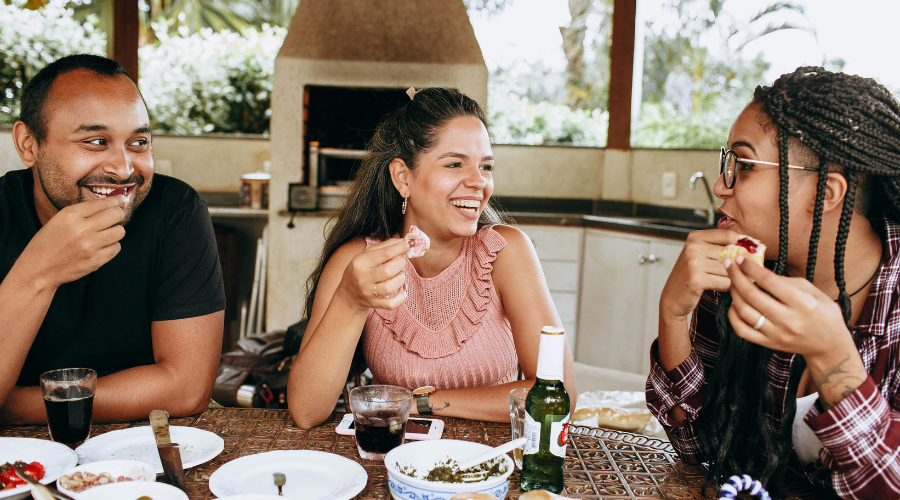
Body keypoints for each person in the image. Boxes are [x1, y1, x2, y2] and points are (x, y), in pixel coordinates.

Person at [646, 66, 900, 498]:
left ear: (826, 193)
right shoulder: (740, 274)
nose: (721, 187)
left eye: (743, 165)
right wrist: (672, 315)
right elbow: (700, 450)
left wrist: (832, 355)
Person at [288, 87, 576, 428]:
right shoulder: (361, 262)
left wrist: (420, 402)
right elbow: (306, 412)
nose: (479, 182)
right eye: (455, 164)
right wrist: (350, 300)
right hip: (397, 465)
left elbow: (559, 396)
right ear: (403, 177)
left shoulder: (505, 252)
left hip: (495, 464)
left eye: (486, 166)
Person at [0, 54, 225, 424]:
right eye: (96, 141)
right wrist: (38, 273)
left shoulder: (175, 210)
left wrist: (10, 405)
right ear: (28, 144)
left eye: (138, 142)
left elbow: (185, 388)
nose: (123, 169)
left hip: (144, 443)